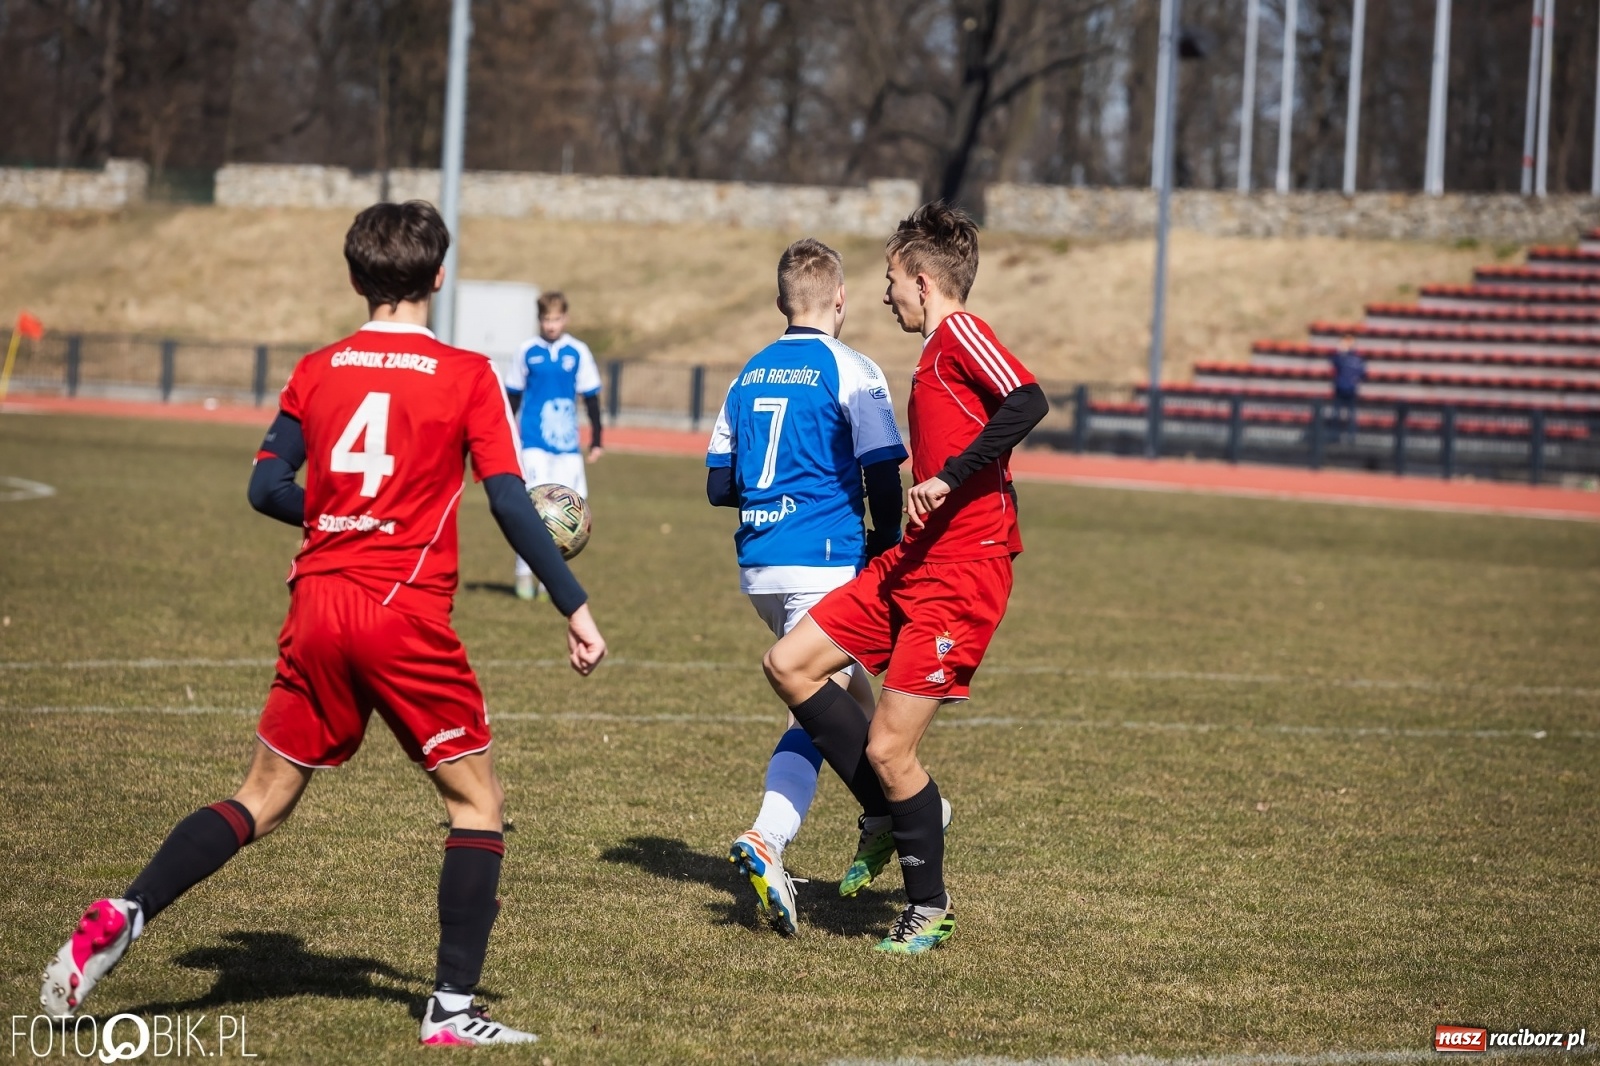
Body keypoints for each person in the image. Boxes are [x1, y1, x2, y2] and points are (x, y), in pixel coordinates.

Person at [39, 201, 608, 1046]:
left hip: (317, 601)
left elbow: (266, 488)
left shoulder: (319, 367)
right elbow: (507, 503)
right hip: (401, 610)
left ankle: (126, 911)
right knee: (477, 801)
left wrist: (341, 518)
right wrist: (574, 602)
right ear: (438, 277)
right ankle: (451, 1011)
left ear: (354, 278)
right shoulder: (467, 374)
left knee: (261, 797)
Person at [761, 202, 1048, 955]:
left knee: (891, 749)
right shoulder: (933, 351)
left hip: (962, 574)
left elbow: (1027, 398)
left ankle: (929, 908)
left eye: (891, 278)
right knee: (788, 663)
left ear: (923, 280)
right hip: (912, 563)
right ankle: (888, 812)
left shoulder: (960, 332)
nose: (885, 293)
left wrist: (950, 478)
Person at [705, 237, 909, 936]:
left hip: (760, 564)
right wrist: (885, 552)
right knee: (812, 708)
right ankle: (770, 838)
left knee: (839, 694)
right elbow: (884, 473)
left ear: (780, 303)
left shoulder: (748, 372)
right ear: (842, 300)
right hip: (824, 560)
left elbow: (716, 486)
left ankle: (886, 814)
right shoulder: (850, 367)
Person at [506, 291, 604, 600]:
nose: (551, 325)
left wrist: (597, 439)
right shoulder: (526, 351)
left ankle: (552, 579)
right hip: (533, 442)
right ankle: (524, 572)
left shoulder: (577, 352)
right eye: (546, 319)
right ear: (539, 320)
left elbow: (591, 397)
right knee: (534, 509)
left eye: (557, 319)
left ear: (566, 318)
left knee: (569, 512)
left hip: (567, 447)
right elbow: (512, 397)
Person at [1331, 332, 1366, 443]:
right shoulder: (1342, 357)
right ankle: (1337, 437)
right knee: (1338, 415)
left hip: (1349, 390)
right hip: (1341, 389)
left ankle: (1350, 438)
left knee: (1350, 416)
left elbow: (1362, 373)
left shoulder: (1355, 358)